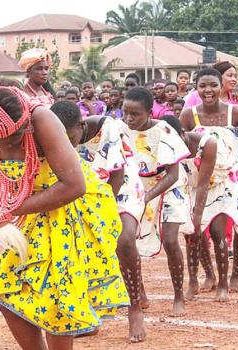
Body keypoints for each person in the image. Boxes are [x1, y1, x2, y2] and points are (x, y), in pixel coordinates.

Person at [0, 86, 128, 349]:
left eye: (14, 138)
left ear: (24, 122)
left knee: (58, 300)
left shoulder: (42, 119)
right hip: (27, 211)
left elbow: (73, 186)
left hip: (66, 210)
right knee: (8, 292)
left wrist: (8, 212)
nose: (7, 145)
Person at [51, 100, 147, 342]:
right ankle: (88, 314)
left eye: (67, 134)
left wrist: (103, 218)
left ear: (81, 125)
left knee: (123, 239)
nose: (62, 140)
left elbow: (116, 174)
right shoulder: (53, 135)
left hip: (121, 187)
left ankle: (134, 308)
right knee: (77, 247)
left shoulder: (108, 128)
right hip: (85, 193)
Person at [180, 67, 238, 299]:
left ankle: (235, 273)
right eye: (203, 86)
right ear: (196, 88)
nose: (208, 90)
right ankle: (208, 274)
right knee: (198, 228)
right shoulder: (188, 115)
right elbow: (179, 148)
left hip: (234, 173)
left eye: (213, 85)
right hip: (200, 177)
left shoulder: (235, 112)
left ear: (221, 87)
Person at [125, 87, 190, 316]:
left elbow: (173, 175)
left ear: (150, 112)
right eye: (126, 113)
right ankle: (140, 291)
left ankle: (179, 296)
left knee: (171, 240)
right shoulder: (122, 131)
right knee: (128, 239)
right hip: (138, 188)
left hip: (169, 187)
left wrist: (148, 197)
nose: (129, 119)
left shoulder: (164, 130)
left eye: (136, 114)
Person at [161, 115, 237, 303]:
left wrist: (197, 216)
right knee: (191, 233)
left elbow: (204, 184)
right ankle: (195, 281)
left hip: (219, 183)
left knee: (217, 232)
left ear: (183, 134)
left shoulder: (207, 143)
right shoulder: (166, 145)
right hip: (192, 186)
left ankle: (223, 284)